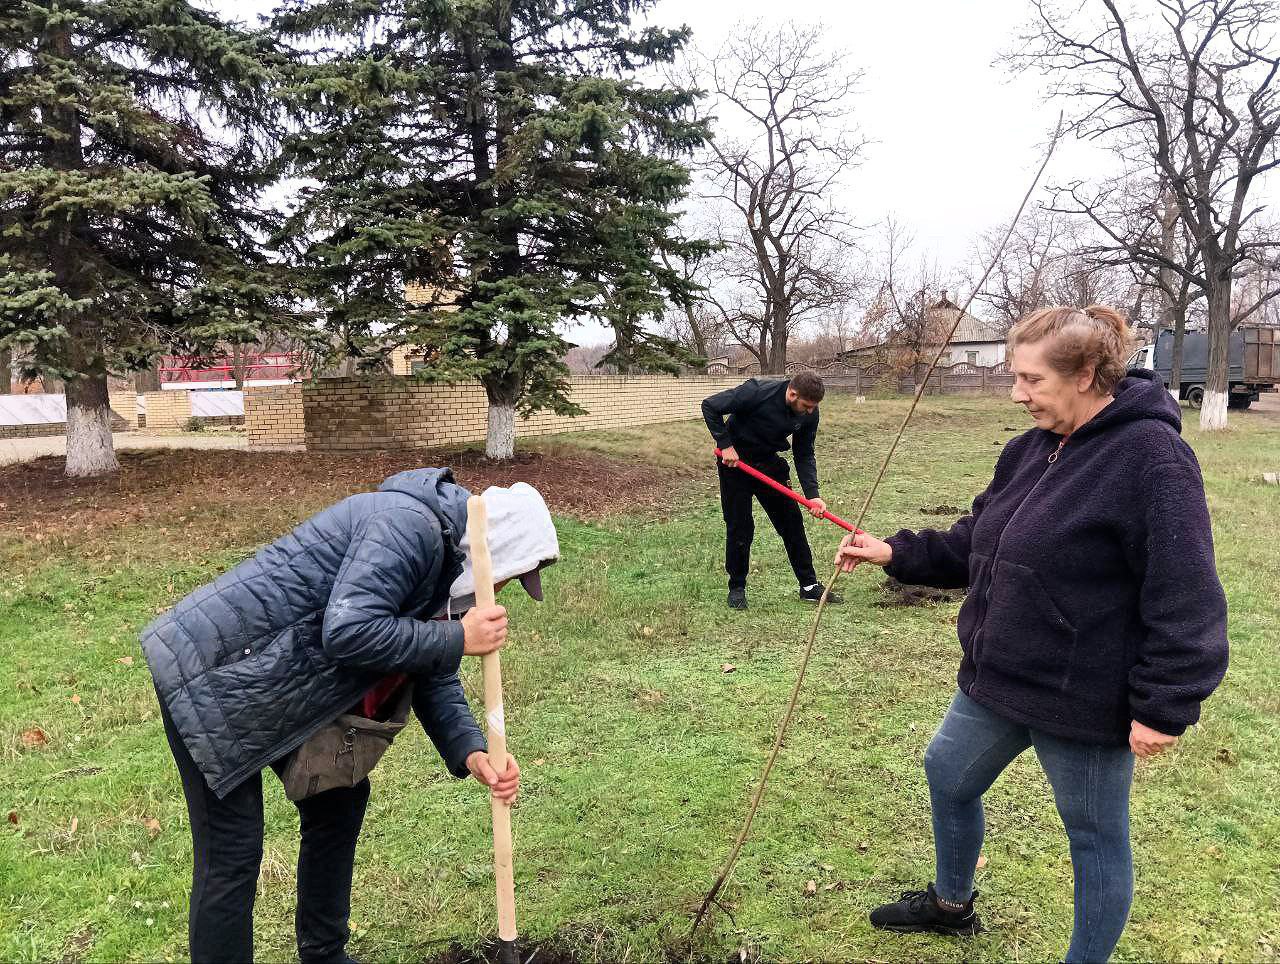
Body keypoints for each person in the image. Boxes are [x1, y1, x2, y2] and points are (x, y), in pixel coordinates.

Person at [836, 306, 1228, 963]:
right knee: (947, 773)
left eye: (1030, 380)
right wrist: (894, 553)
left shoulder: (1152, 458)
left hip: (1085, 695)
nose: (1017, 394)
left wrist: (1165, 704)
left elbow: (1185, 590)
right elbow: (977, 541)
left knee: (1095, 836)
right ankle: (952, 906)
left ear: (1084, 375)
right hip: (999, 675)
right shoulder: (1030, 449)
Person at [141, 470, 559, 964]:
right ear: (500, 549)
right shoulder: (407, 528)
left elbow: (426, 668)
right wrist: (457, 638)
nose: (505, 588)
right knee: (233, 853)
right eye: (513, 575)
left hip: (275, 681)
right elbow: (350, 629)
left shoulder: (445, 559)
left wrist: (472, 752)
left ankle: (324, 955)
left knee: (339, 802)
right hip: (212, 676)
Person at [702, 371, 841, 610]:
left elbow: (804, 452)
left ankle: (808, 586)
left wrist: (813, 495)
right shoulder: (756, 391)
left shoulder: (810, 412)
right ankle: (737, 587)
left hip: (769, 464)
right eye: (806, 406)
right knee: (740, 526)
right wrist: (725, 445)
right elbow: (710, 406)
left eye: (813, 407)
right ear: (792, 393)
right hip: (736, 465)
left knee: (791, 523)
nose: (810, 412)